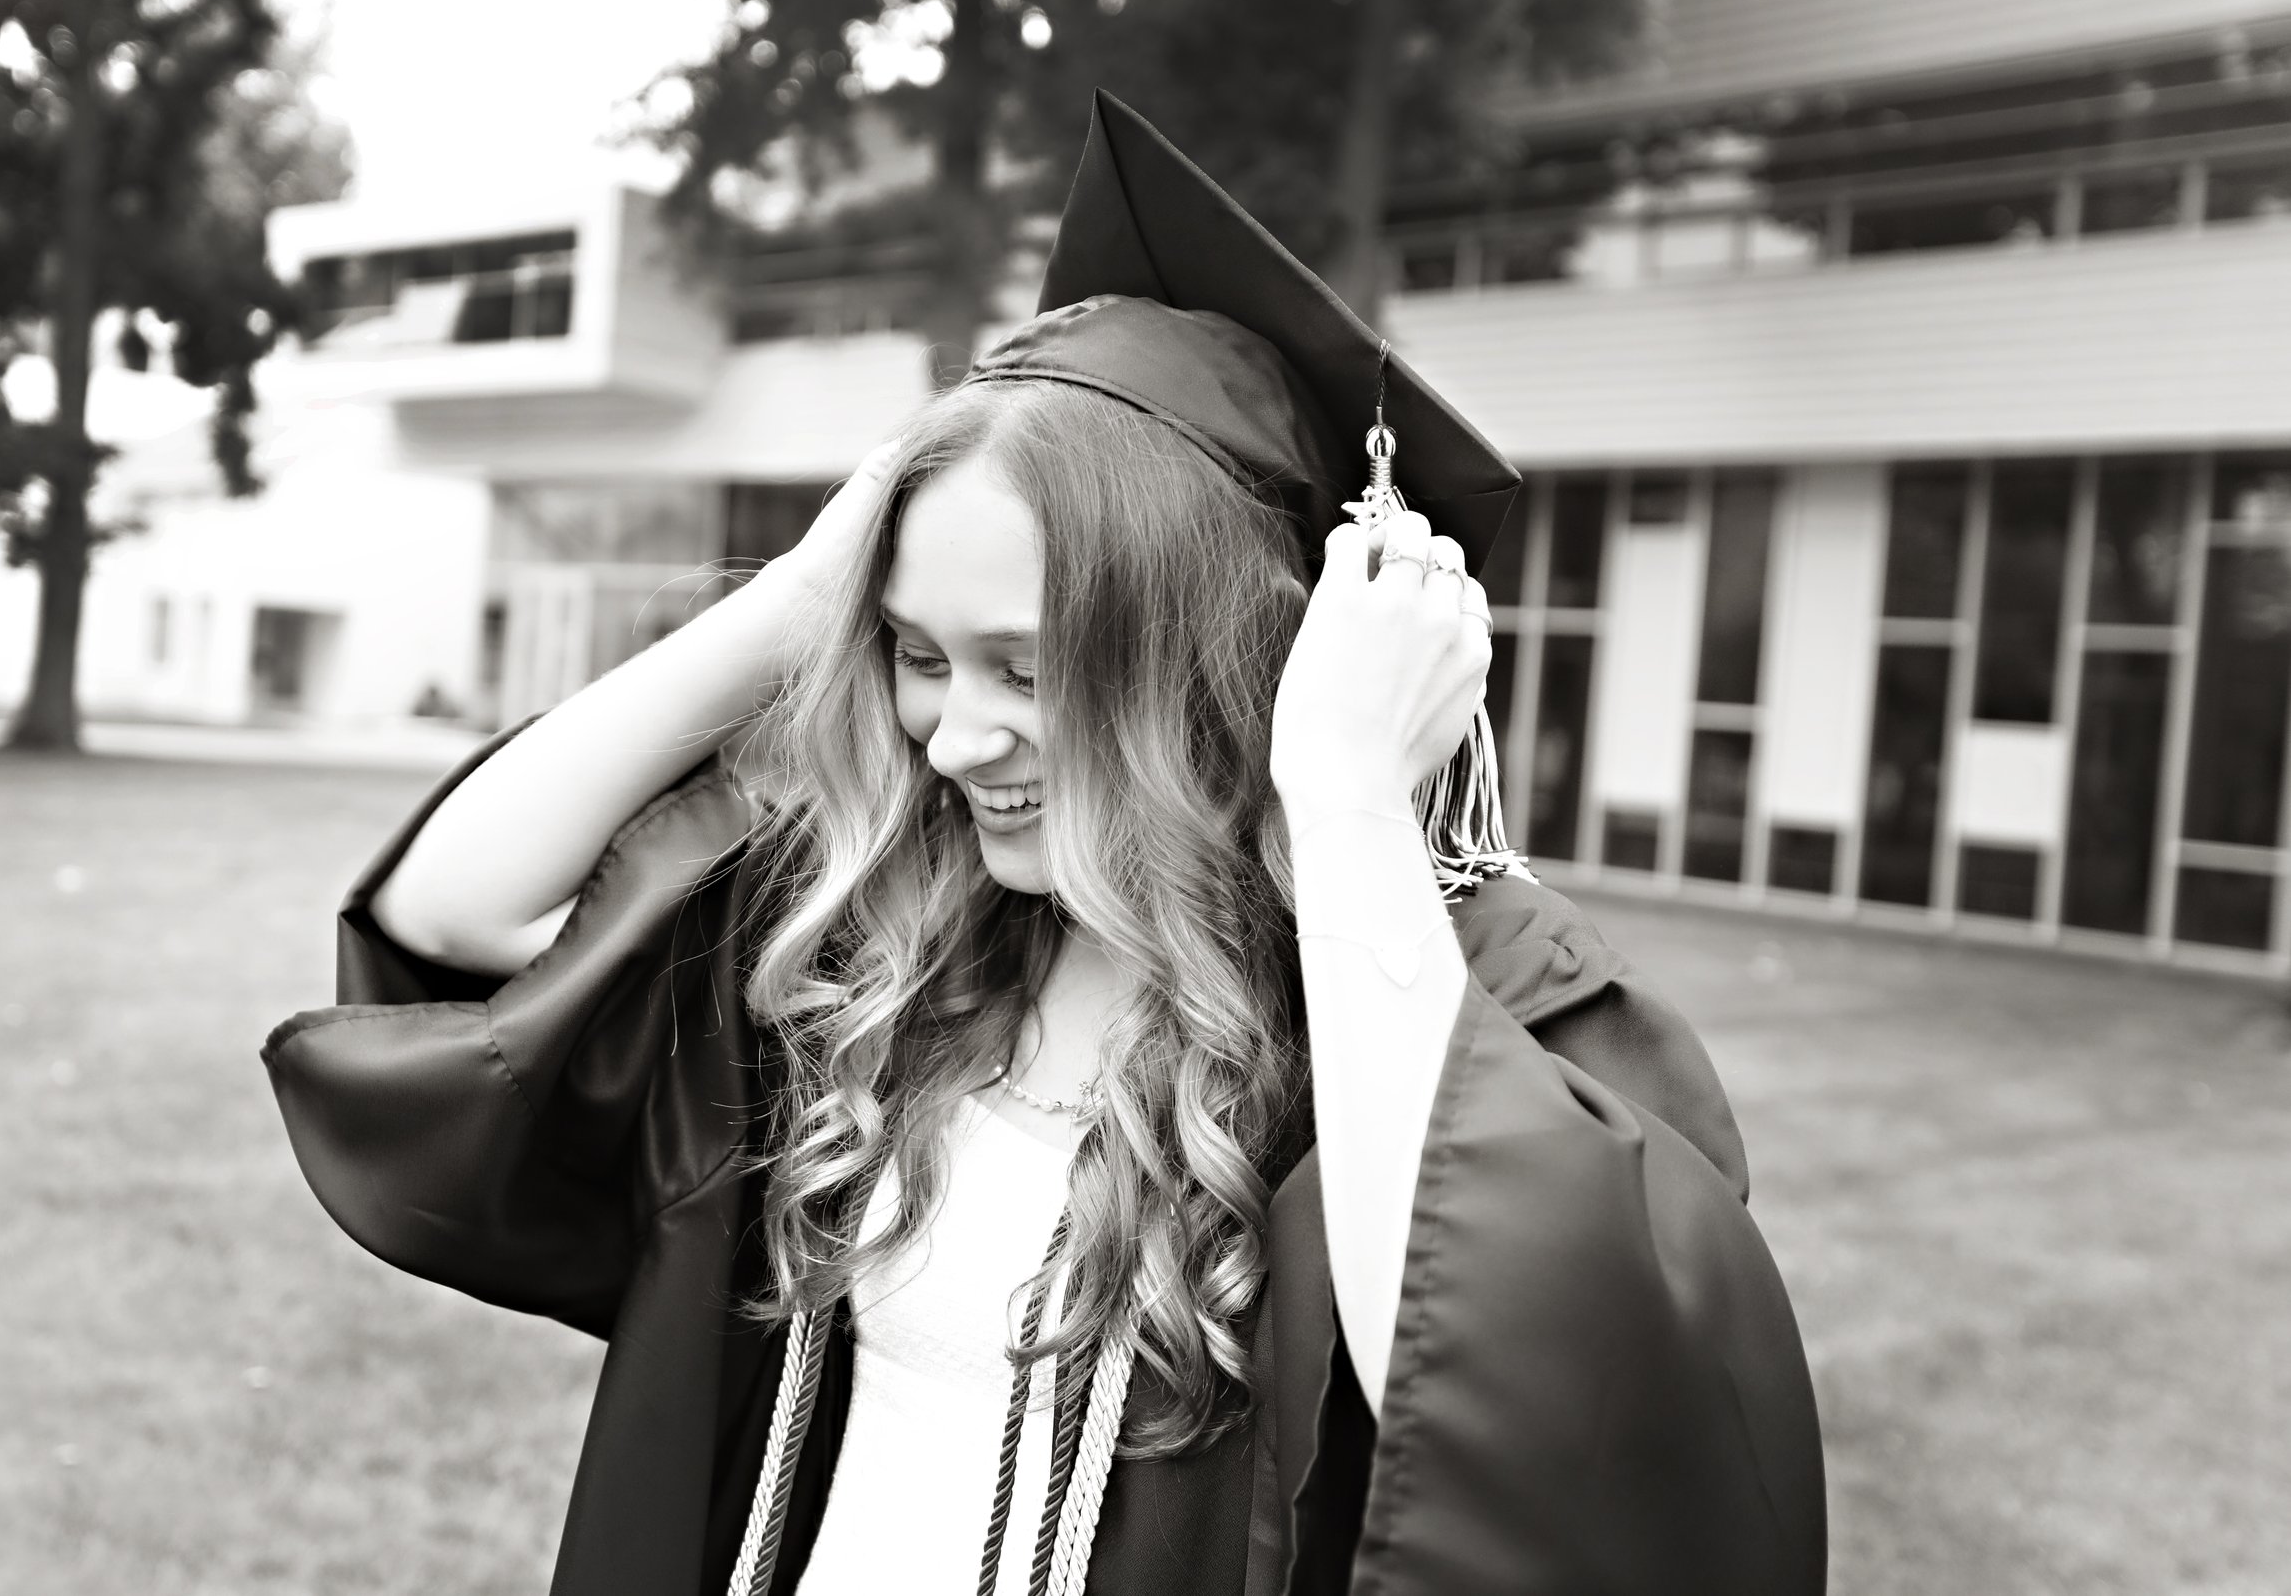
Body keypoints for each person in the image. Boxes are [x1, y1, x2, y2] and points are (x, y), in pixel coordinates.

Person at [263, 92, 1824, 1596]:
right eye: (918, 656)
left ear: (1214, 663)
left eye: (1028, 665)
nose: (951, 741)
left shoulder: (1441, 993)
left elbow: (1529, 1417)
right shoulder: (881, 939)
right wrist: (809, 596)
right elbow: (456, 920)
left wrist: (1344, 801)